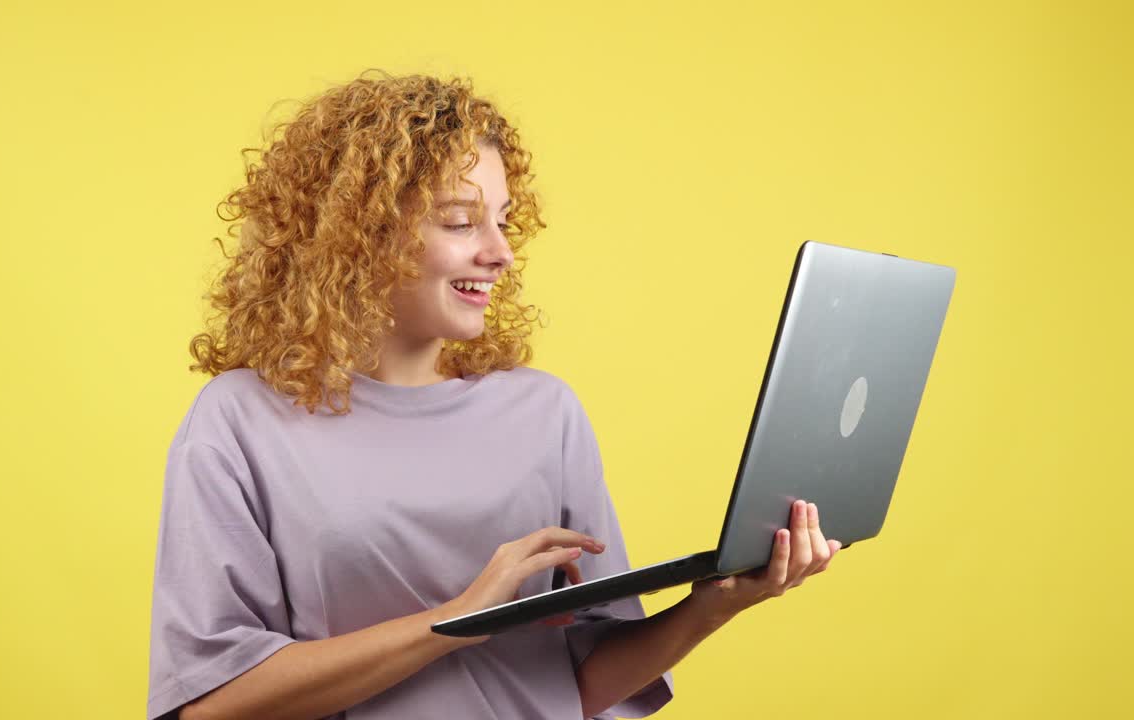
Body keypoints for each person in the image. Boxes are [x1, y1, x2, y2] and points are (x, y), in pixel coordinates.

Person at [146, 69, 842, 720]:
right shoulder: (241, 420)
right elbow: (209, 700)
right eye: (459, 221)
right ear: (358, 235)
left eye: (503, 221)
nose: (501, 252)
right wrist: (464, 617)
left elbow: (583, 680)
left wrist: (715, 605)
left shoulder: (545, 413)